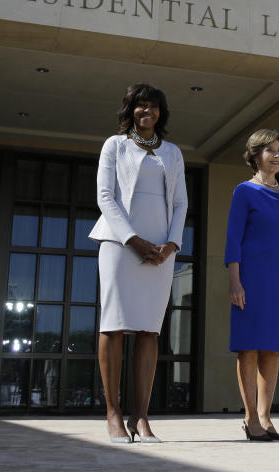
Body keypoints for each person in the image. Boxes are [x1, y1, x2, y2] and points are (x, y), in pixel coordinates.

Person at [89, 83, 188, 443]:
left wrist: (171, 244)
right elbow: (105, 196)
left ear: (161, 113)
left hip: (161, 251)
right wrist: (133, 240)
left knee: (150, 329)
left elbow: (180, 204)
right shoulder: (114, 145)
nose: (148, 112)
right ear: (130, 109)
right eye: (141, 106)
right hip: (120, 245)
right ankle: (113, 414)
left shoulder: (173, 153)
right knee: (114, 324)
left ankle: (141, 418)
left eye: (154, 107)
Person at [226, 129, 279, 441]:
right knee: (248, 347)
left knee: (272, 350)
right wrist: (235, 280)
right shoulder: (244, 192)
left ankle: (265, 416)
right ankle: (250, 418)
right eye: (269, 150)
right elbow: (233, 238)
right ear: (255, 155)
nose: (277, 155)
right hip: (251, 278)